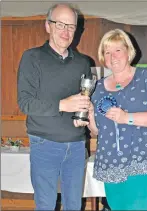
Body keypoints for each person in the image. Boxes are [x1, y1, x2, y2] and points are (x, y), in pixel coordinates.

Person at [75, 29, 147, 210]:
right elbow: (97, 131)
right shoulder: (99, 87)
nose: (112, 56)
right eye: (107, 52)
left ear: (129, 51)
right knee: (116, 207)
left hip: (139, 158)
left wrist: (127, 117)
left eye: (118, 50)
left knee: (136, 207)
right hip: (109, 160)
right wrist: (90, 113)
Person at [17, 3, 91, 211]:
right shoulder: (32, 58)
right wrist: (63, 105)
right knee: (46, 205)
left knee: (74, 206)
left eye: (71, 26)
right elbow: (25, 103)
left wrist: (81, 116)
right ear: (48, 26)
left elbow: (84, 101)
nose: (66, 31)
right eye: (60, 25)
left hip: (77, 145)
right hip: (44, 144)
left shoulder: (83, 62)